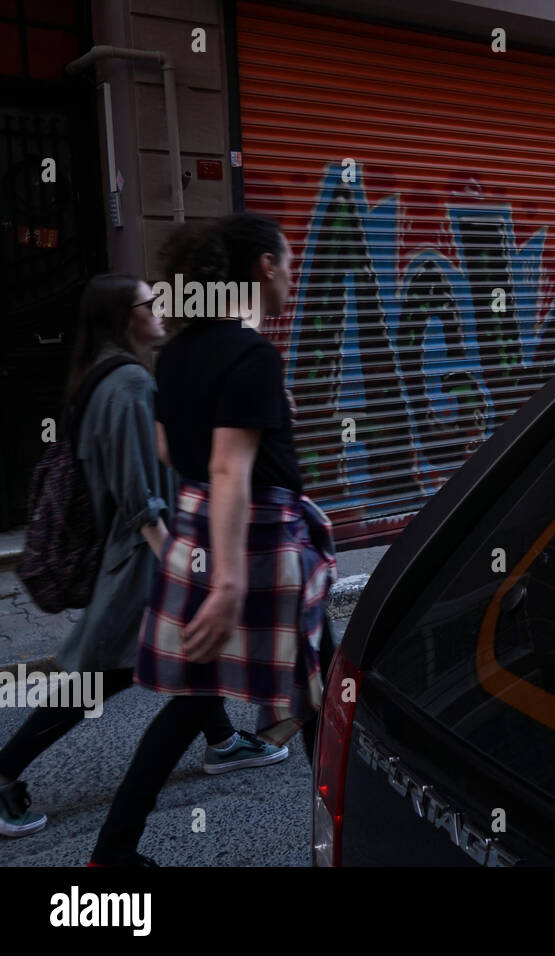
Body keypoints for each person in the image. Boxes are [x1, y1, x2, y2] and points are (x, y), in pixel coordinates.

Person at [0, 275, 288, 840]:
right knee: (105, 679)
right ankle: (6, 770)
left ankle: (224, 742)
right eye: (148, 304)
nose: (160, 310)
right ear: (125, 317)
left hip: (134, 562)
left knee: (187, 662)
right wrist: (179, 560)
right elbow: (137, 495)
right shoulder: (128, 382)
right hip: (141, 565)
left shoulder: (101, 378)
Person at [90, 214, 336, 866]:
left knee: (195, 702)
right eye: (287, 261)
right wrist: (229, 580)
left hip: (205, 531)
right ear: (261, 268)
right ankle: (344, 837)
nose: (292, 275)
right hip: (260, 546)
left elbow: (172, 449)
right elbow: (231, 467)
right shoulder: (253, 356)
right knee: (320, 691)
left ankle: (112, 853)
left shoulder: (176, 356)